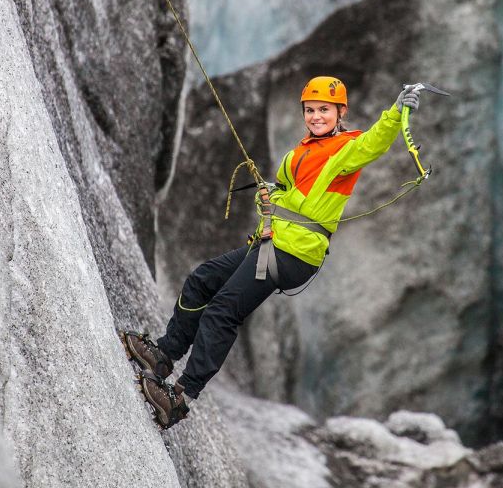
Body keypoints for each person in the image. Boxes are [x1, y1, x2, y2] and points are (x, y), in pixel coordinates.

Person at [122, 77, 423, 428]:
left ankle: (180, 398)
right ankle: (163, 355)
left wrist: (397, 110)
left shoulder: (346, 148)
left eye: (324, 110)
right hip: (273, 245)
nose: (316, 116)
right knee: (202, 280)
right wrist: (268, 194)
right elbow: (284, 192)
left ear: (341, 112)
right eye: (310, 110)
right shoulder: (299, 153)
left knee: (223, 310)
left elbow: (375, 142)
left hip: (295, 253)